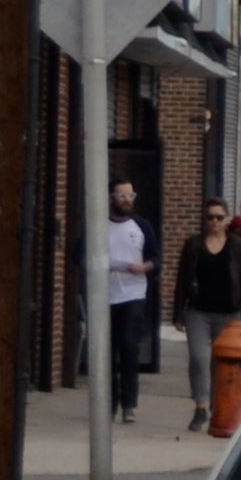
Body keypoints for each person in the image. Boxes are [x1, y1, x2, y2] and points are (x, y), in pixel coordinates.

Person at [175, 199, 241, 434]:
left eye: (219, 217)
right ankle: (200, 406)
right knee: (199, 358)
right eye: (210, 217)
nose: (214, 222)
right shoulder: (193, 245)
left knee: (218, 363)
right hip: (198, 312)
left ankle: (215, 405)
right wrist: (178, 313)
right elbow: (182, 279)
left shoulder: (238, 246)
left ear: (227, 219)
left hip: (229, 314)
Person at [102, 181, 152, 425]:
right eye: (121, 195)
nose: (126, 199)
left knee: (129, 348)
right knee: (107, 352)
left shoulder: (141, 226)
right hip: (104, 296)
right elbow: (80, 254)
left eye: (130, 194)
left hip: (133, 294)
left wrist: (144, 267)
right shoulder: (99, 226)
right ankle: (109, 403)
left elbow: (156, 259)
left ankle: (129, 404)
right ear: (112, 197)